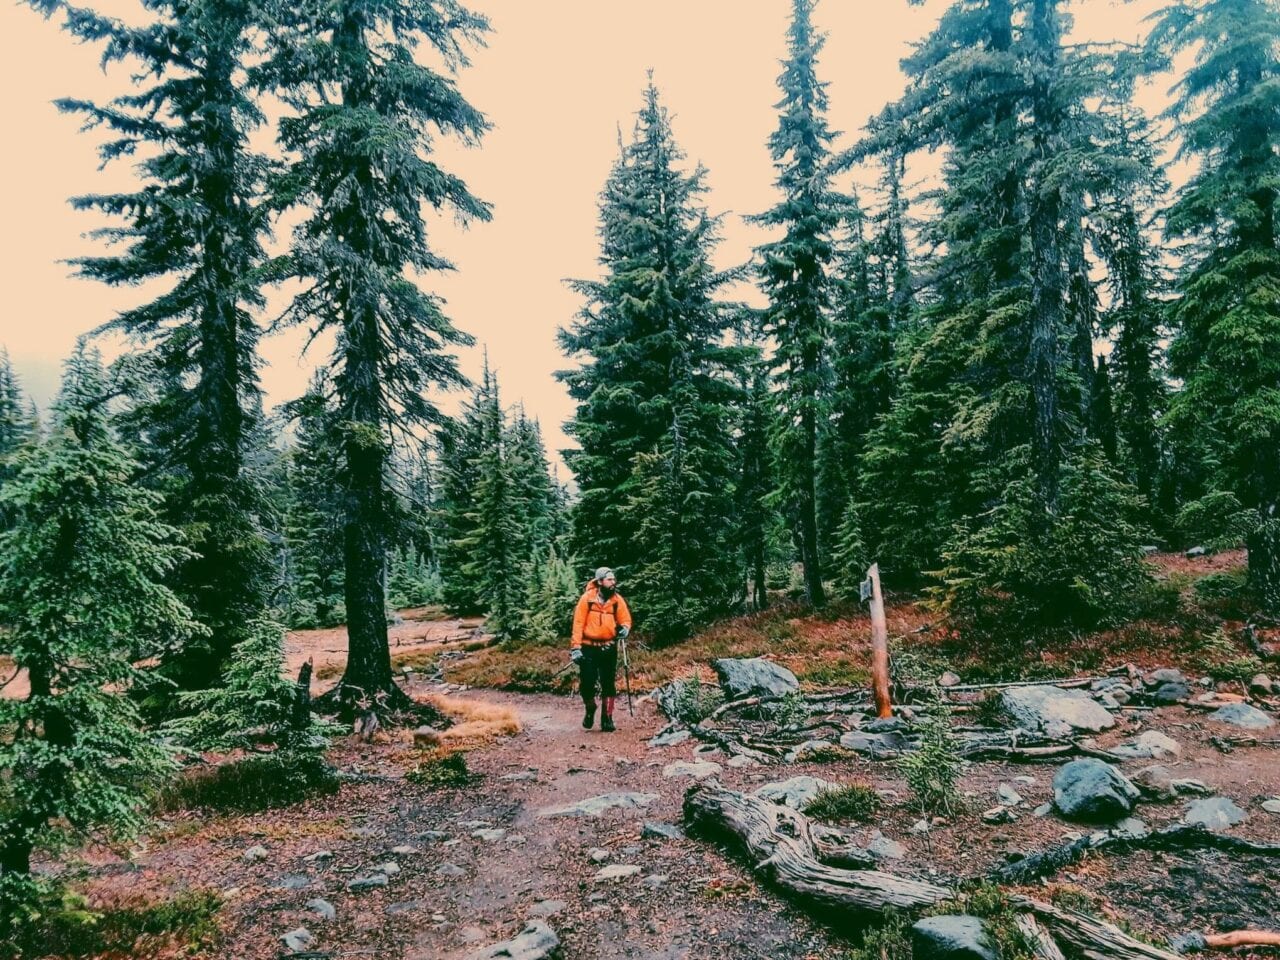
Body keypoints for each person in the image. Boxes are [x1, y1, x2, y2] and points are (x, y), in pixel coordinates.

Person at [569, 567, 632, 732]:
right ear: (600, 582)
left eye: (613, 579)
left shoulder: (617, 600)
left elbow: (625, 619)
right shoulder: (587, 599)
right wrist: (576, 648)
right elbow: (578, 624)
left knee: (609, 684)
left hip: (609, 648)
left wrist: (625, 629)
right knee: (587, 684)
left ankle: (608, 717)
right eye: (609, 580)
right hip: (588, 648)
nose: (613, 582)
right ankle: (590, 708)